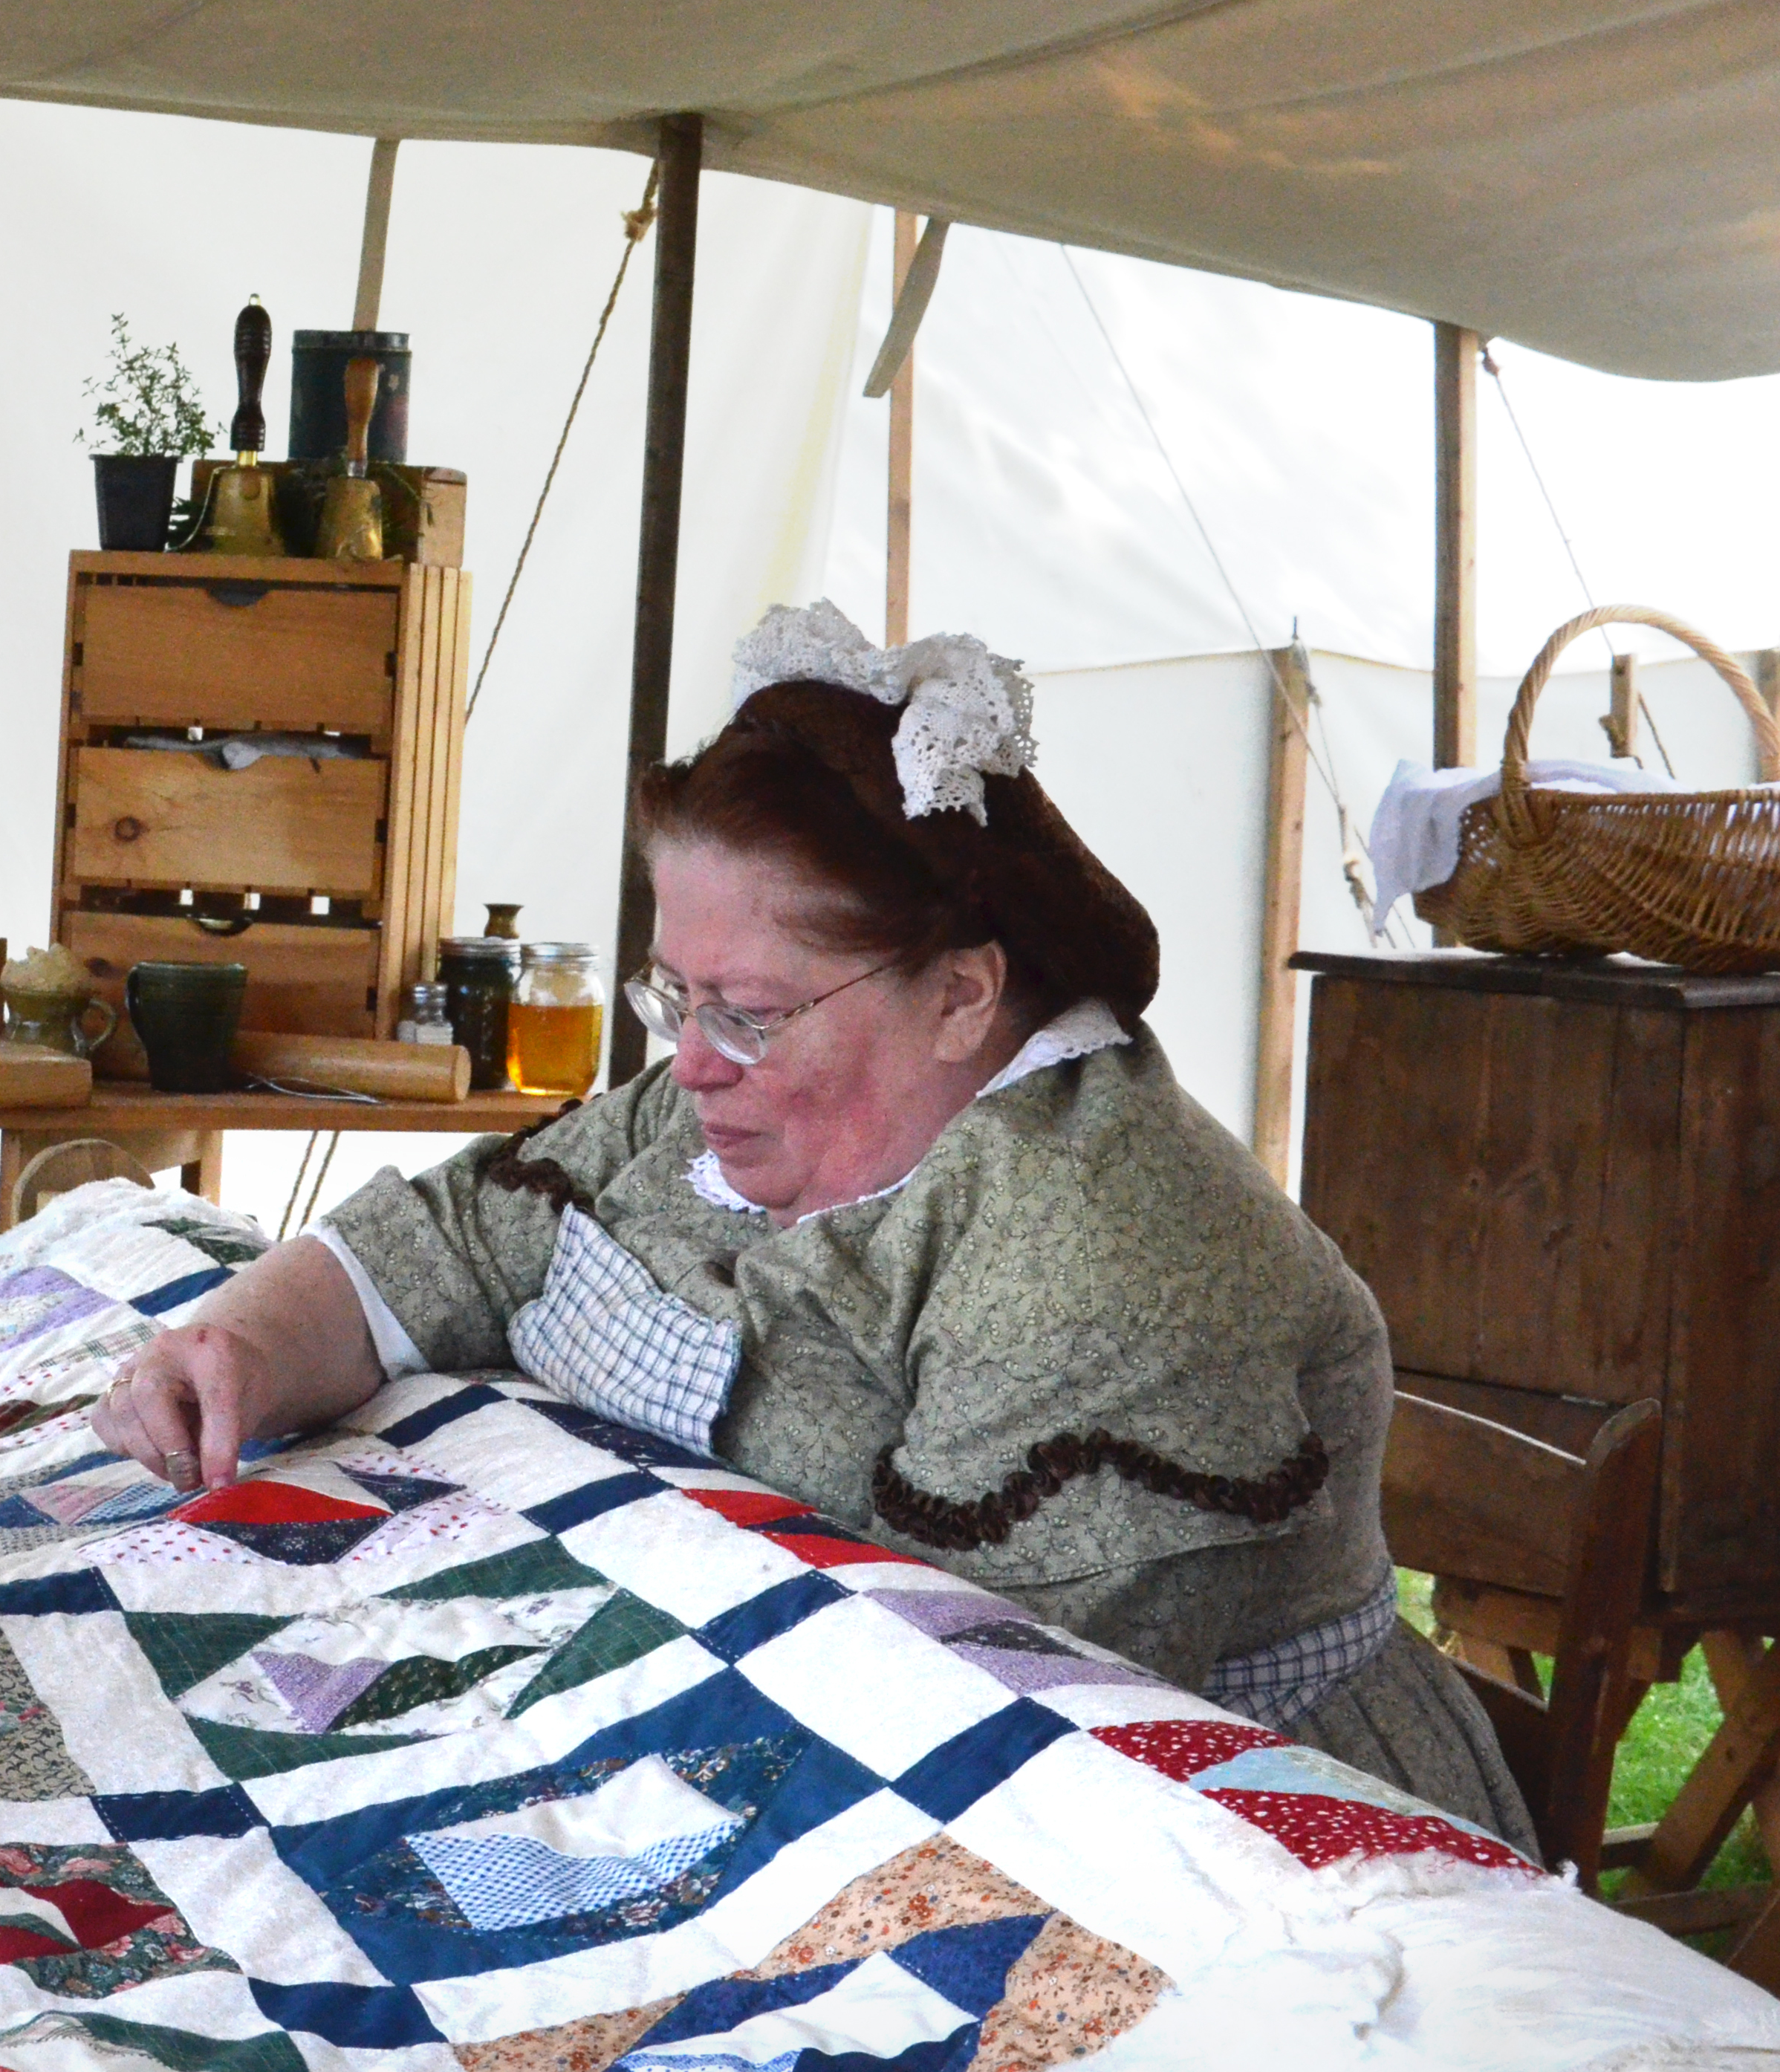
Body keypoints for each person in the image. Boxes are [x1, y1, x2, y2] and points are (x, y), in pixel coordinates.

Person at [93, 600, 1529, 1847]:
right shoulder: (727, 1109)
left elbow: (960, 1710)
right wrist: (239, 1341)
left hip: (1206, 1849)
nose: (694, 1057)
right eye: (679, 995)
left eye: (753, 1011)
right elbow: (459, 1238)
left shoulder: (1101, 1260)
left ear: (965, 993)